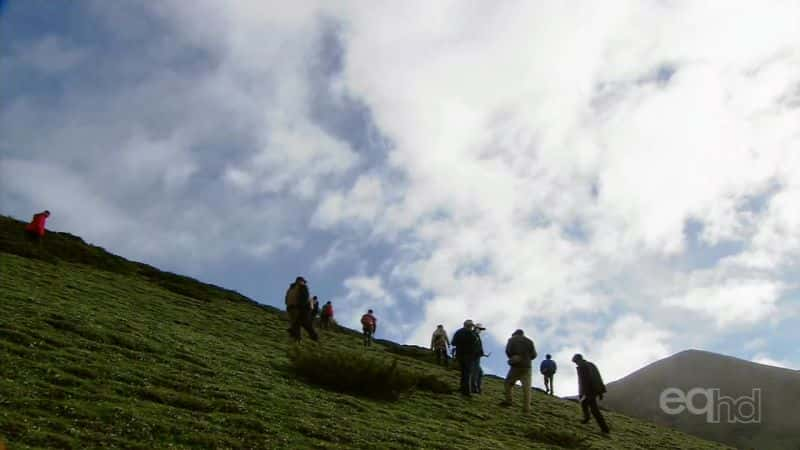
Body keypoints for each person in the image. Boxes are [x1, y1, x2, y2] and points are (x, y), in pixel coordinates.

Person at [500, 329, 537, 413]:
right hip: (527, 366)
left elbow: (508, 351)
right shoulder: (530, 341)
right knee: (526, 388)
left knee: (508, 383)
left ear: (515, 334)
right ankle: (526, 408)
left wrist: (512, 358)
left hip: (516, 365)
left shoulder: (512, 340)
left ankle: (509, 401)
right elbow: (534, 355)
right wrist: (527, 358)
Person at [572, 354, 610, 434]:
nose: (576, 364)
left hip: (590, 391)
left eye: (576, 362)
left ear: (579, 360)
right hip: (592, 390)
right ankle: (587, 419)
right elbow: (597, 377)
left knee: (594, 410)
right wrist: (600, 391)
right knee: (584, 403)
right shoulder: (590, 365)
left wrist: (582, 393)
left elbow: (583, 381)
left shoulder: (583, 367)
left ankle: (605, 429)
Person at [284, 276, 318, 342]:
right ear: (299, 280)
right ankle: (297, 338)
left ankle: (313, 336)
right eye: (303, 281)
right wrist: (287, 305)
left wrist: (301, 307)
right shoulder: (292, 288)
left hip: (299, 308)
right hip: (292, 307)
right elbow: (287, 297)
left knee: (302, 323)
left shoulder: (301, 287)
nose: (303, 282)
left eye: (303, 281)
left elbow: (304, 298)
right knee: (296, 323)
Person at [451, 320, 480, 396]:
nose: (471, 327)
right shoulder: (471, 333)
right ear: (469, 326)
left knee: (463, 372)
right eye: (471, 326)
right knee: (467, 373)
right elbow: (475, 342)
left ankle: (462, 388)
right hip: (468, 356)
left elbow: (453, 342)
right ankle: (466, 392)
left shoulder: (458, 332)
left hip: (459, 355)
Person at [471, 323, 488, 394]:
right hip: (474, 357)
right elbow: (473, 347)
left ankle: (476, 388)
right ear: (476, 328)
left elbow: (478, 347)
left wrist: (482, 353)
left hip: (476, 357)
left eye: (481, 329)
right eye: (480, 329)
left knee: (479, 373)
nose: (481, 331)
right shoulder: (473, 335)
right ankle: (474, 389)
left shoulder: (476, 336)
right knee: (476, 373)